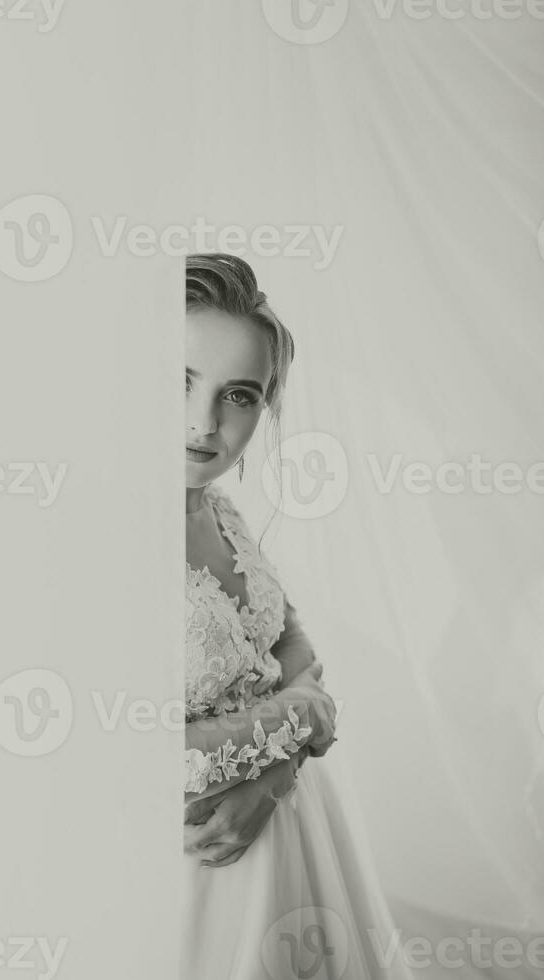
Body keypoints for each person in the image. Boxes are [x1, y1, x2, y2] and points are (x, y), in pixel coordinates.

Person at [183, 253, 414, 980]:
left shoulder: (220, 510)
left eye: (239, 395)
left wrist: (277, 775)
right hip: (188, 881)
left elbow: (290, 643)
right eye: (177, 381)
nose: (204, 421)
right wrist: (305, 720)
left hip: (295, 841)